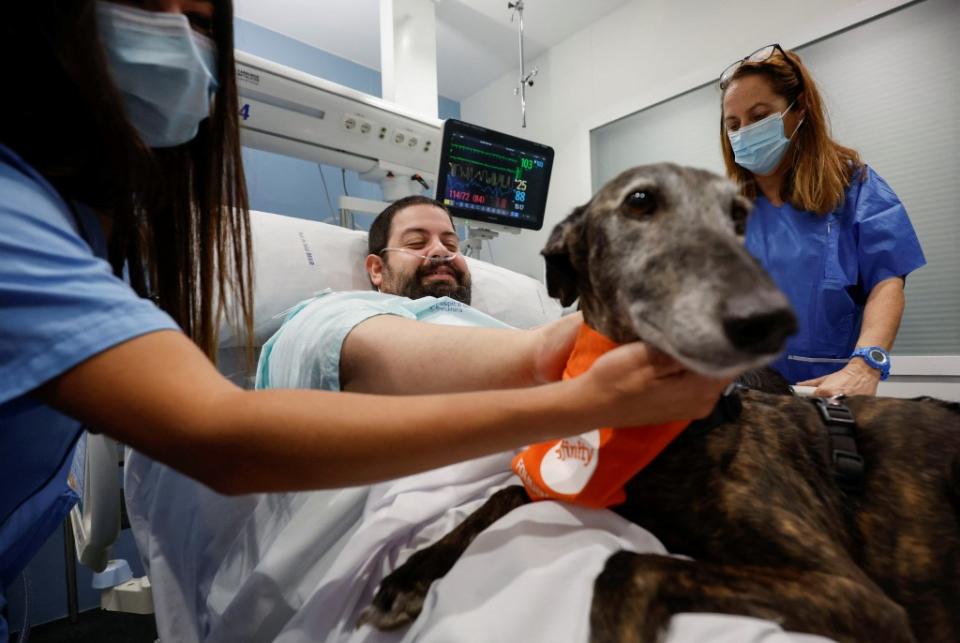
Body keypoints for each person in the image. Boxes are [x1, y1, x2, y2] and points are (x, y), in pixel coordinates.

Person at [0, 1, 731, 635]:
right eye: (417, 241)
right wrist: (572, 387)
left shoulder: (513, 320)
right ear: (375, 268)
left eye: (452, 240)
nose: (442, 252)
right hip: (495, 517)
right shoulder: (339, 308)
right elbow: (233, 430)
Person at [718, 44, 926, 396]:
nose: (743, 132)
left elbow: (887, 281)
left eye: (758, 116)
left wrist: (866, 365)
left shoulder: (853, 188)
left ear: (799, 108)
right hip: (745, 395)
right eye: (733, 124)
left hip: (825, 392)